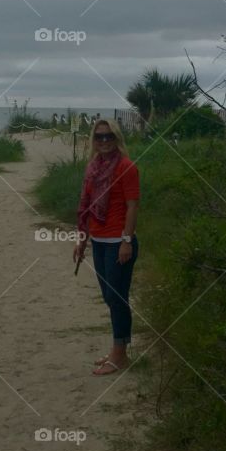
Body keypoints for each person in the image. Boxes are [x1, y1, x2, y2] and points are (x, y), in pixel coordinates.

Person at [72, 118, 140, 375]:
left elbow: (133, 206)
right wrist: (82, 239)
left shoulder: (126, 167)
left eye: (108, 136)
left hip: (118, 243)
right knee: (109, 298)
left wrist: (126, 241)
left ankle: (120, 355)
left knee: (117, 298)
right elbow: (87, 206)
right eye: (99, 137)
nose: (103, 141)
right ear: (93, 140)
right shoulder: (93, 168)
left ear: (117, 138)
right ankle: (117, 350)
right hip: (99, 242)